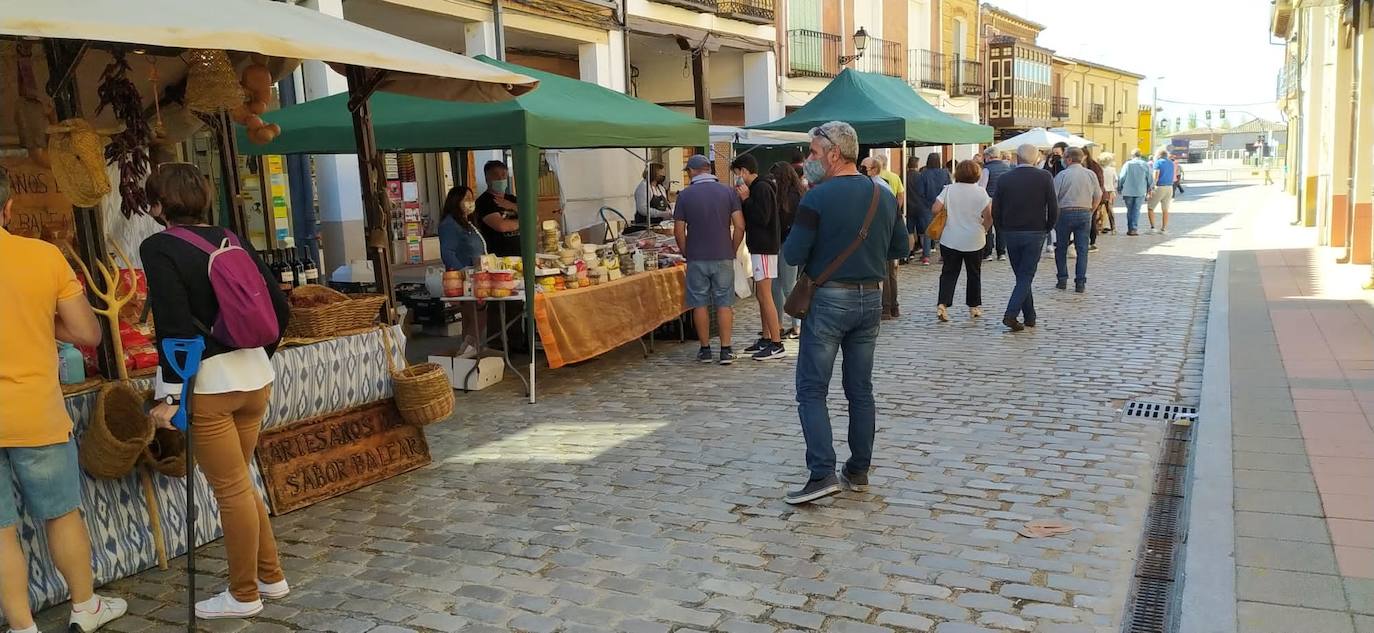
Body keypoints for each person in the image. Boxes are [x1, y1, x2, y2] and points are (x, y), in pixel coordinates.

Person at [140, 164, 292, 620]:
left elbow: (172, 325)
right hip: (254, 376)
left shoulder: (158, 247)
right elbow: (279, 305)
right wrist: (258, 351)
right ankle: (271, 574)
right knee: (241, 484)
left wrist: (168, 398)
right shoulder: (232, 237)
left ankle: (244, 594)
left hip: (209, 386)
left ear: (159, 205)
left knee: (230, 490)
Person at [0, 172, 127, 633]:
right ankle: (85, 605)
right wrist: (40, 323)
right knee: (61, 514)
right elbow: (88, 334)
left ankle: (22, 627)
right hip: (35, 410)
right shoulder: (43, 256)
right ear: (9, 209)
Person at [782, 121, 907, 505]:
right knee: (860, 389)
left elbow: (792, 254)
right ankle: (858, 469)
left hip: (829, 300)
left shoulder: (817, 198)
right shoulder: (882, 193)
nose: (808, 160)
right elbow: (899, 246)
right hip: (870, 298)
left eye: (814, 153)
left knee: (811, 389)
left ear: (834, 154)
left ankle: (822, 473)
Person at [675, 154, 746, 365]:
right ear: (709, 169)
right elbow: (740, 225)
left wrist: (686, 251)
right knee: (724, 303)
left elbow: (679, 230)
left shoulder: (685, 195)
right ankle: (726, 350)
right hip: (723, 254)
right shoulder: (727, 192)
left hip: (697, 256)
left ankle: (705, 350)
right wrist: (732, 248)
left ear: (693, 171)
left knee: (699, 303)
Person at [993, 144, 1058, 332]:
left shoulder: (1005, 178)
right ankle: (1011, 314)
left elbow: (996, 207)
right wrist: (1049, 227)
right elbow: (1053, 206)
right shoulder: (1044, 177)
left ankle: (1030, 316)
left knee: (1022, 275)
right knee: (1026, 275)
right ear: (1036, 158)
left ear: (1017, 158)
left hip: (1011, 231)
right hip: (1035, 230)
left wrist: (1001, 228)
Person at [731, 154, 786, 361]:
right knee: (761, 295)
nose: (737, 178)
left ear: (744, 171)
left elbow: (762, 217)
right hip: (761, 246)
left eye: (737, 174)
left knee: (765, 294)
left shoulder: (761, 188)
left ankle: (776, 342)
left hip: (764, 246)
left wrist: (746, 200)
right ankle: (766, 336)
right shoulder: (760, 187)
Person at [932, 160, 993, 322]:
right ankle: (974, 306)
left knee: (949, 272)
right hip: (974, 238)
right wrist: (984, 229)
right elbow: (989, 216)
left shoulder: (949, 190)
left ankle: (942, 304)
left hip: (951, 237)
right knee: (974, 273)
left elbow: (935, 209)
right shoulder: (981, 192)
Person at [437, 185, 487, 357]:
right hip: (466, 278)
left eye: (471, 198)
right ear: (455, 201)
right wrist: (463, 273)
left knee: (470, 317)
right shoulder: (450, 224)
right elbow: (447, 253)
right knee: (476, 317)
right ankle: (467, 351)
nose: (470, 202)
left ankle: (467, 352)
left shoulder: (468, 223)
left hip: (476, 276)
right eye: (466, 198)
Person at [1053, 148, 1103, 294]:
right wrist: (1091, 210)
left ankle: (1062, 279)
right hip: (1084, 212)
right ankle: (1080, 282)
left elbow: (1054, 196)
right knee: (1082, 250)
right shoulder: (1090, 174)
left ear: (1068, 159)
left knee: (1061, 248)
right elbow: (1098, 195)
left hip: (1064, 212)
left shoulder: (1062, 175)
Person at [769, 161, 804, 340]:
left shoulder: (790, 196)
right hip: (782, 242)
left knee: (787, 286)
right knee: (776, 286)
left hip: (786, 242)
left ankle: (797, 325)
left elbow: (785, 220)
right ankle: (779, 324)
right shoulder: (793, 193)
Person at [910, 152, 951, 266]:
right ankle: (943, 255)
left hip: (926, 206)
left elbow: (920, 191)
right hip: (942, 205)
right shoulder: (945, 172)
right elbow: (949, 187)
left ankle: (926, 256)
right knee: (942, 229)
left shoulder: (923, 174)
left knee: (928, 231)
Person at [475, 160, 521, 256]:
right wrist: (525, 222)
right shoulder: (484, 201)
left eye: (503, 175)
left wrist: (513, 206)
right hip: (498, 256)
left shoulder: (512, 199)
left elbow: (534, 217)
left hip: (520, 253)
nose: (500, 178)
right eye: (496, 175)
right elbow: (501, 226)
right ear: (487, 178)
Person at [979, 148, 1012, 260]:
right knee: (1001, 227)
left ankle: (987, 253)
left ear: (988, 156)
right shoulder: (1007, 168)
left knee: (988, 226)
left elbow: (982, 187)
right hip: (1003, 201)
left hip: (989, 200)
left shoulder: (987, 169)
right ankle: (1001, 252)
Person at [1117, 150, 1153, 236]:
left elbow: (1122, 177)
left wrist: (1119, 187)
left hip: (1128, 191)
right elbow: (1150, 178)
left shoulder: (1127, 164)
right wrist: (1149, 188)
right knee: (1136, 210)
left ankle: (1130, 228)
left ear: (1132, 155)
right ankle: (1134, 228)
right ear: (1141, 155)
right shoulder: (1145, 164)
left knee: (1130, 210)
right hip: (1140, 191)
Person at [1082, 146, 1106, 252]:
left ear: (1085, 155)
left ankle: (1092, 242)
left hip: (1093, 197)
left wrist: (1096, 197)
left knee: (1091, 219)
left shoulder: (1094, 167)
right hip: (1083, 197)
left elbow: (1100, 183)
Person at [633, 162, 672, 226]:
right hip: (645, 225)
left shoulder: (660, 188)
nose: (663, 175)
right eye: (660, 174)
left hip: (660, 225)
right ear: (653, 173)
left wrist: (669, 211)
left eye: (663, 173)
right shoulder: (644, 187)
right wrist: (660, 214)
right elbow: (642, 209)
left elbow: (665, 205)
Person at [1147, 150, 1176, 233]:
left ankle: (1153, 228)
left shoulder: (1158, 162)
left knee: (1150, 208)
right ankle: (1164, 228)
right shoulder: (1171, 163)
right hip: (1169, 187)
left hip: (1160, 187)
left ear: (1158, 155)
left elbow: (1156, 176)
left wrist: (1151, 187)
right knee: (1165, 209)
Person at [1098, 153, 1119, 235]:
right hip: (1109, 191)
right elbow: (1115, 181)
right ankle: (1113, 228)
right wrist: (1114, 190)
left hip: (1100, 190)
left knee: (1098, 209)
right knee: (1109, 210)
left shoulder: (1098, 169)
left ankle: (1099, 227)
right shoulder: (1112, 169)